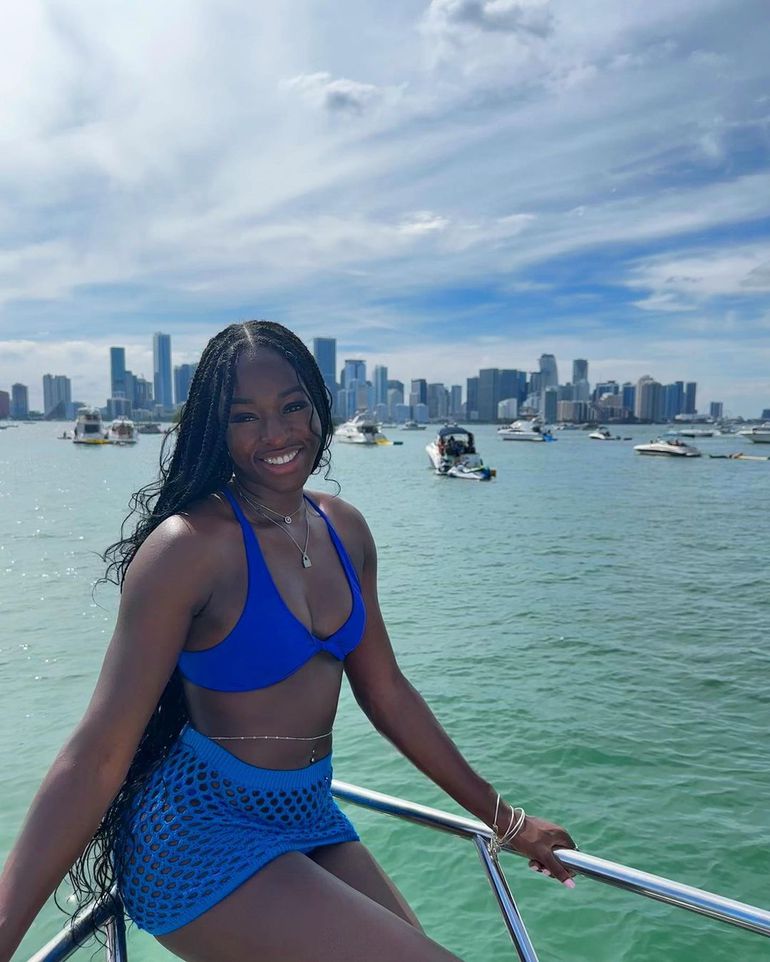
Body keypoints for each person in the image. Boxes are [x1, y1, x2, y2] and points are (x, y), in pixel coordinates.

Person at [0, 321, 575, 962]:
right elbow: (97, 754)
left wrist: (505, 819)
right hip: (197, 833)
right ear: (215, 430)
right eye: (245, 416)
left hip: (308, 815)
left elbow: (387, 692)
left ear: (319, 410)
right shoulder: (187, 549)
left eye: (293, 407)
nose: (276, 434)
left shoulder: (344, 529)